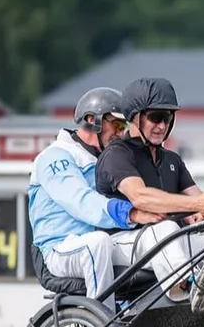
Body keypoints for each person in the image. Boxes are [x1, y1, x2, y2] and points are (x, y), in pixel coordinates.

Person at [95, 77, 204, 313]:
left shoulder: (172, 160)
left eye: (167, 119)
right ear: (135, 117)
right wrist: (196, 204)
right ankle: (187, 286)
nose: (162, 126)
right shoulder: (117, 155)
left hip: (164, 242)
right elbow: (141, 197)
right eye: (155, 118)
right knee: (164, 230)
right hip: (118, 244)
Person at [28, 87, 165, 312]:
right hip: (58, 251)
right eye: (118, 125)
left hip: (98, 247)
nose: (122, 134)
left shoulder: (106, 159)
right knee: (97, 242)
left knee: (159, 238)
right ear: (93, 120)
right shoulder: (55, 156)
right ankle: (103, 325)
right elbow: (82, 202)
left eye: (125, 128)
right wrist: (130, 213)